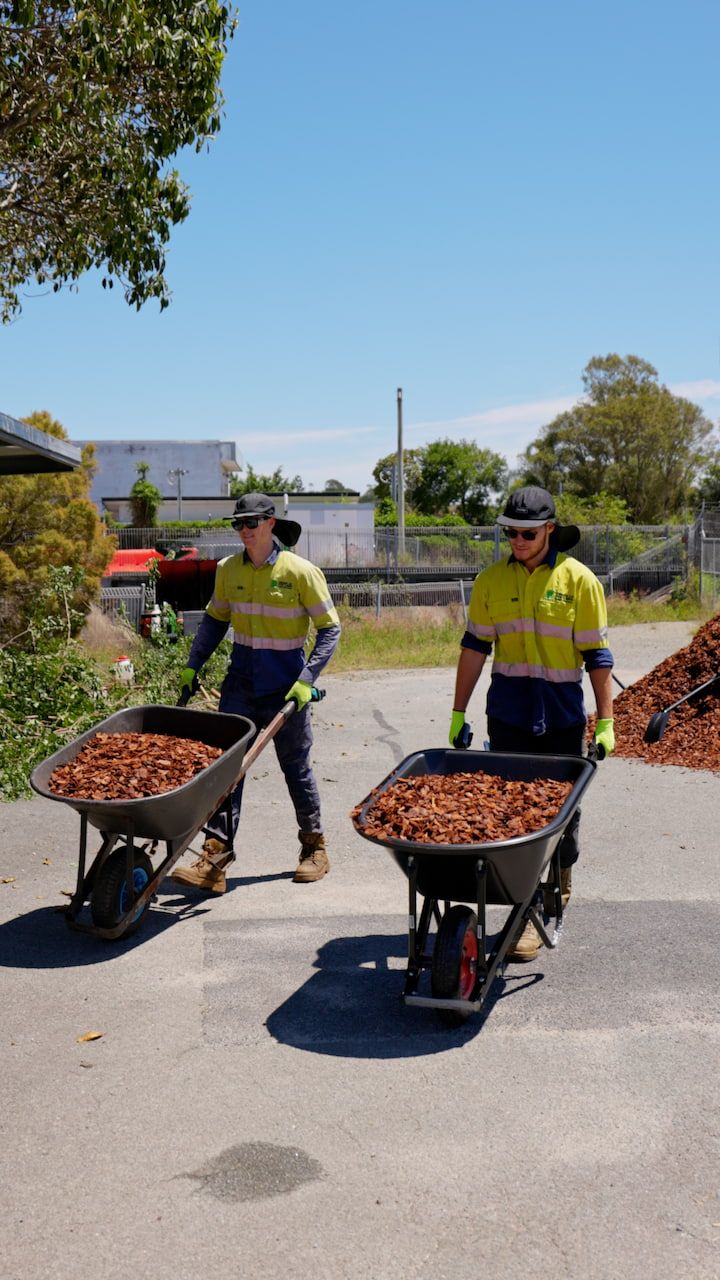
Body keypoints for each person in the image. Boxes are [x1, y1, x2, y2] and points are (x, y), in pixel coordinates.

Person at [449, 485, 615, 961]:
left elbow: (597, 657)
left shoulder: (579, 581)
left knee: (561, 816)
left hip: (561, 715)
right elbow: (474, 649)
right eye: (510, 532)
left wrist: (606, 720)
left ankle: (556, 883)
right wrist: (459, 711)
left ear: (549, 530)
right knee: (510, 813)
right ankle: (525, 910)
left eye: (526, 532)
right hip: (508, 713)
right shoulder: (490, 582)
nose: (517, 541)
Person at [171, 492, 341, 893]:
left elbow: (330, 629)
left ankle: (314, 847)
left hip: (286, 689)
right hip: (241, 685)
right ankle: (215, 860)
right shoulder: (228, 570)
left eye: (251, 523)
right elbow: (214, 621)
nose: (243, 531)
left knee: (295, 768)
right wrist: (193, 665)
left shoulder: (301, 571)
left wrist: (308, 678)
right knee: (227, 770)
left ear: (270, 523)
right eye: (238, 524)